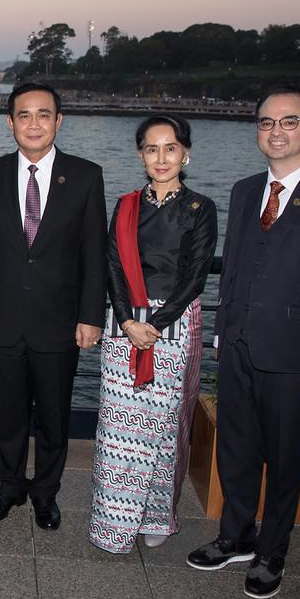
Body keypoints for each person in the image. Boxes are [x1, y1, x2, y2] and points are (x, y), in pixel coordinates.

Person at [187, 86, 300, 599]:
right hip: (238, 347)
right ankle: (236, 536)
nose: (277, 131)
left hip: (295, 357)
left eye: (290, 121)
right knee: (237, 449)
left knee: (285, 458)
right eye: (267, 122)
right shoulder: (246, 190)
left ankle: (272, 552)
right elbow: (235, 267)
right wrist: (222, 331)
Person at [0, 82, 107, 531]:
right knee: (8, 414)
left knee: (53, 416)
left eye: (44, 114)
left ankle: (46, 493)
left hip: (59, 321)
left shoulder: (85, 176)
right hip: (3, 318)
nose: (34, 124)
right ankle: (9, 488)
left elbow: (94, 255)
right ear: (10, 123)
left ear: (58, 121)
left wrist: (90, 316)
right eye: (24, 115)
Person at [89, 115, 216, 554]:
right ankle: (112, 523)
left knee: (165, 427)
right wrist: (128, 322)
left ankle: (158, 514)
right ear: (140, 155)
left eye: (170, 148)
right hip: (123, 325)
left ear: (185, 153)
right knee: (118, 430)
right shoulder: (126, 206)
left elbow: (196, 277)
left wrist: (156, 326)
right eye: (151, 148)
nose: (161, 158)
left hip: (173, 326)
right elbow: (112, 265)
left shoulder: (200, 208)